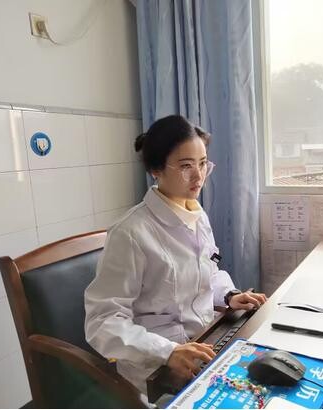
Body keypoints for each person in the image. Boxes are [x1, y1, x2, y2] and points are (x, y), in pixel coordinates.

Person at [84, 115, 267, 398]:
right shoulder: (130, 233)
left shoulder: (195, 214)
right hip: (154, 369)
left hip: (204, 340)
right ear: (156, 169)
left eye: (203, 163)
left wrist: (229, 295)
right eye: (185, 166)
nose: (198, 176)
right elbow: (102, 323)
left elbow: (208, 270)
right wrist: (167, 352)